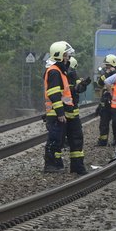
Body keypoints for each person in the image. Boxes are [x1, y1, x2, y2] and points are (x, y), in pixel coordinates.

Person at [42, 40, 85, 175]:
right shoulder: (54, 71)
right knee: (56, 140)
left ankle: (77, 166)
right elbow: (54, 94)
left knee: (76, 137)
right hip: (57, 113)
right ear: (59, 56)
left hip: (66, 112)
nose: (68, 58)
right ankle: (52, 165)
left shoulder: (61, 71)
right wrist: (60, 113)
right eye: (66, 55)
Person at [94, 54, 116, 146]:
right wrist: (107, 73)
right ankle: (103, 141)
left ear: (113, 64)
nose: (106, 67)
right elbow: (100, 83)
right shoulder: (106, 74)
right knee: (104, 122)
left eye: (108, 65)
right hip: (106, 101)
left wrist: (113, 73)